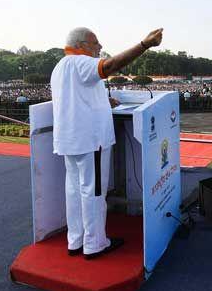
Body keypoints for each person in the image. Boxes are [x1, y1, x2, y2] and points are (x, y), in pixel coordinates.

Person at [51, 26, 163, 259]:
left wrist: (104, 101)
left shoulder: (61, 67)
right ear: (81, 45)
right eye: (95, 43)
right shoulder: (80, 62)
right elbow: (110, 66)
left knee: (74, 191)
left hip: (70, 140)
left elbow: (78, 99)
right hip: (90, 141)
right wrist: (144, 45)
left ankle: (76, 240)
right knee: (94, 191)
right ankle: (95, 244)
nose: (100, 47)